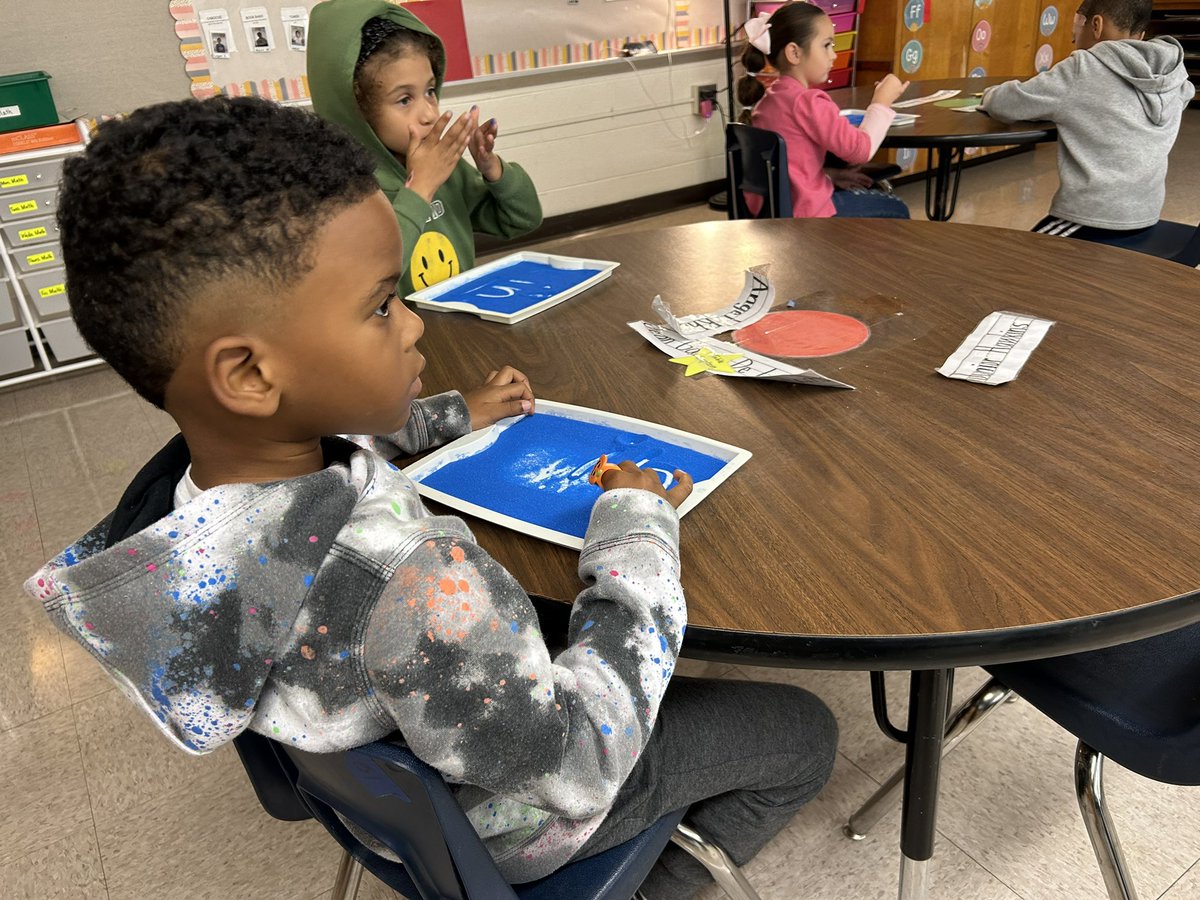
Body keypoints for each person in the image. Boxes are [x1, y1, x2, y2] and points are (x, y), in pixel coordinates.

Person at [27, 96, 837, 899]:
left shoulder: (188, 500)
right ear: (248, 375)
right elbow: (582, 763)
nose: (413, 324)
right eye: (382, 305)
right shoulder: (409, 579)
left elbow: (333, 443)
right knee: (804, 732)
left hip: (382, 809)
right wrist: (636, 527)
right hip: (518, 822)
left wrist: (448, 414)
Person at [308, 0, 542, 295]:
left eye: (430, 91)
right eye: (404, 99)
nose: (430, 113)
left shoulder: (444, 166)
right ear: (356, 111)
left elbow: (523, 221)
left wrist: (493, 170)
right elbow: (371, 281)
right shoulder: (341, 190)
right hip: (399, 339)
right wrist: (420, 189)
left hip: (458, 325)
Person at [982, 0, 1194, 238]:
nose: (1074, 39)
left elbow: (1007, 104)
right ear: (1141, 35)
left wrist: (988, 94)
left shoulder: (1083, 67)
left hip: (1093, 218)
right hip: (1147, 214)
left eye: (1076, 28)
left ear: (1096, 25)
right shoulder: (1175, 77)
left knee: (1013, 262)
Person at [737, 5, 911, 219]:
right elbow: (860, 151)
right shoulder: (808, 102)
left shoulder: (768, 100)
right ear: (794, 52)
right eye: (826, 45)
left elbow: (791, 165)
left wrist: (829, 176)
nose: (834, 55)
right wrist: (882, 101)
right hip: (808, 215)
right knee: (897, 209)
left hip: (776, 210)